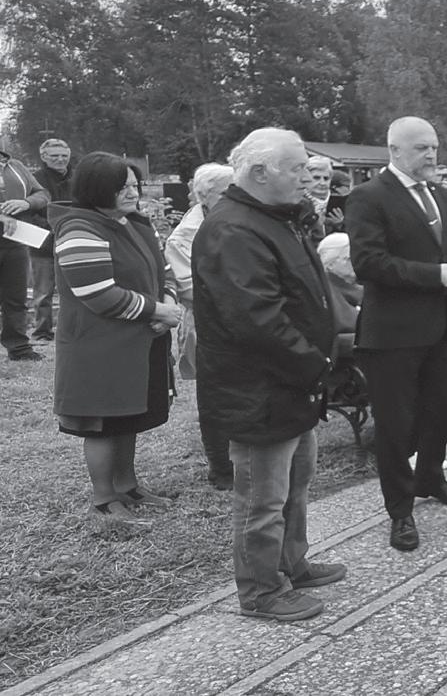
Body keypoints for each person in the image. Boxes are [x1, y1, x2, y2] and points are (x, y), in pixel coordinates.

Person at [193, 128, 344, 621]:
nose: (308, 177)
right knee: (262, 496)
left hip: (292, 383)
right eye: (297, 168)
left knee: (296, 482)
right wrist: (315, 363)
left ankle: (291, 563)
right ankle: (261, 590)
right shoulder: (234, 230)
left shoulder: (275, 217)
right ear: (260, 173)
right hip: (260, 388)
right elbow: (256, 319)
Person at [346, 116, 447, 552]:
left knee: (441, 411)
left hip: (440, 326)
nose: (431, 155)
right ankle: (400, 509)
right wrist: (436, 274)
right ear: (394, 150)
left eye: (434, 147)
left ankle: (431, 479)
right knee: (396, 425)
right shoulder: (369, 197)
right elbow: (369, 263)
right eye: (421, 148)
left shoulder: (440, 194)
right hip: (393, 333)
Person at [50, 152, 181, 527]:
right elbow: (98, 295)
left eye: (134, 185)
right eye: (121, 187)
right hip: (98, 349)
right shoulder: (78, 229)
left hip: (137, 342)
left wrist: (166, 302)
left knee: (128, 416)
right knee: (103, 424)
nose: (132, 193)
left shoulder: (134, 222)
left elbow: (164, 271)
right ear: (96, 189)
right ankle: (104, 499)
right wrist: (156, 311)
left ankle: (128, 486)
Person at [164, 162, 236, 488]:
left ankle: (245, 458)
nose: (234, 198)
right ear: (204, 196)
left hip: (243, 320)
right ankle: (221, 468)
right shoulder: (185, 235)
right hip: (209, 324)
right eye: (226, 193)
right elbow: (189, 289)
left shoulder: (238, 221)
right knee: (215, 396)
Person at [0, 148, 50, 361]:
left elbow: (43, 194)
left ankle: (18, 347)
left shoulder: (15, 166)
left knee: (16, 297)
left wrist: (26, 202)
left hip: (16, 240)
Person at [30, 138, 72, 342]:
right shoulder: (34, 181)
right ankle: (42, 332)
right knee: (43, 292)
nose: (60, 159)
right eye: (55, 156)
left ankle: (70, 329)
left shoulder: (78, 178)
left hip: (72, 240)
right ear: (44, 157)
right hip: (43, 243)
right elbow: (28, 212)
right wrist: (51, 227)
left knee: (73, 289)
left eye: (64, 156)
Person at [304, 155, 334, 245]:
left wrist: (340, 224)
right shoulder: (296, 202)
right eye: (316, 178)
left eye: (326, 178)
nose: (322, 183)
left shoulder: (339, 201)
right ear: (305, 178)